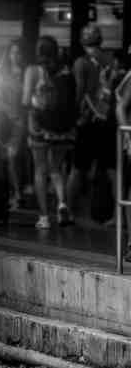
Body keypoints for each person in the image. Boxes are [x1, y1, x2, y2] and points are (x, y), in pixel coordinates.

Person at [24, 35, 77, 229]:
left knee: (40, 170)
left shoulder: (33, 70)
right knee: (56, 168)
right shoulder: (66, 71)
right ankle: (62, 204)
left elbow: (25, 100)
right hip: (63, 130)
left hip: (39, 127)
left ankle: (44, 217)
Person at [71, 23, 117, 222]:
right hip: (107, 120)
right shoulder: (111, 60)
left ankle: (69, 211)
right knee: (112, 171)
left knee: (77, 169)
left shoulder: (80, 63)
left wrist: (73, 114)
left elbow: (79, 91)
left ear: (82, 42)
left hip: (87, 121)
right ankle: (117, 216)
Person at [0, 39, 28, 210]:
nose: (15, 56)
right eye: (13, 52)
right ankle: (13, 194)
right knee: (5, 157)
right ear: (8, 53)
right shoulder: (1, 71)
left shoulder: (27, 73)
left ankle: (18, 195)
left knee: (13, 156)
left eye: (19, 53)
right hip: (2, 119)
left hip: (20, 120)